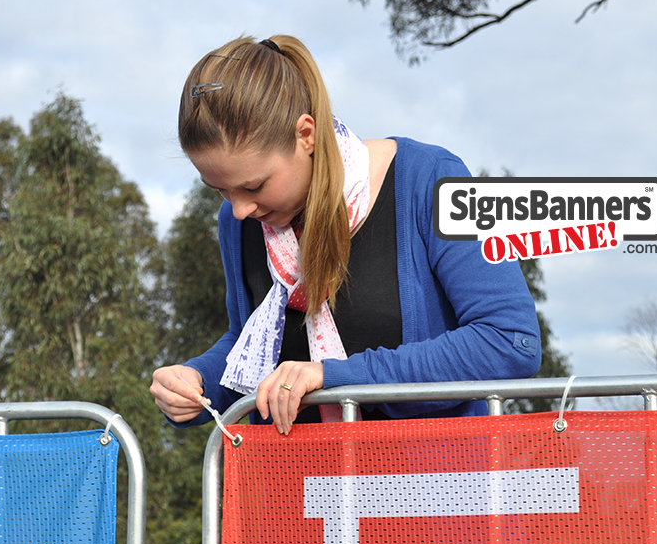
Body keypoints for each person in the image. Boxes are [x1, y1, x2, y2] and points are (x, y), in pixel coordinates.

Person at [150, 34, 541, 434]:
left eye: (253, 186)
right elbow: (249, 348)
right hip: (291, 489)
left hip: (435, 485)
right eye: (218, 189)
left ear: (306, 135)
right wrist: (195, 381)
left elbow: (509, 341)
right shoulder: (237, 223)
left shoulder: (432, 180)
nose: (239, 209)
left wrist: (337, 378)